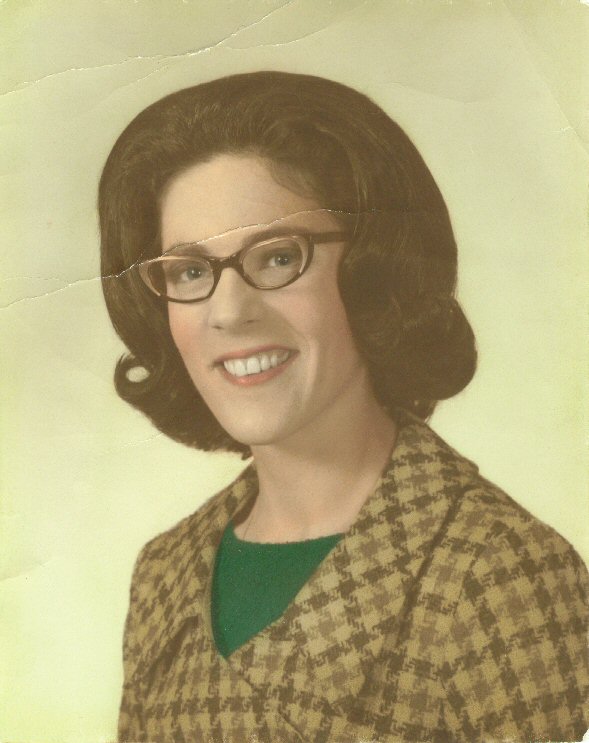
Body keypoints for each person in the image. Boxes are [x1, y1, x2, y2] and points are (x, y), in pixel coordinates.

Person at [99, 71, 589, 742]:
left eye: (277, 258)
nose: (229, 312)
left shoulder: (500, 575)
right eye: (190, 271)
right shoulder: (164, 573)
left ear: (372, 274)